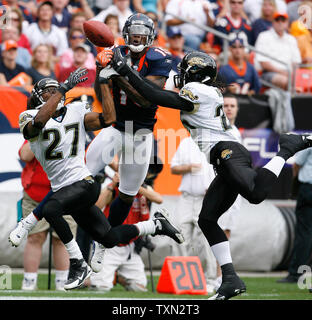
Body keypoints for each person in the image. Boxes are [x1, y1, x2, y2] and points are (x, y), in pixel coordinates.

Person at [108, 49, 312, 300]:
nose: (181, 75)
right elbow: (159, 83)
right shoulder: (204, 90)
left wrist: (125, 69)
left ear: (195, 73)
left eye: (185, 71)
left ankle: (287, 148)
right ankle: (230, 279)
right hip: (222, 157)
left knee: (256, 193)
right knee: (207, 219)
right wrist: (129, 69)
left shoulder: (199, 91)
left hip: (229, 152)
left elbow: (155, 95)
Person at [9, 69, 184, 290]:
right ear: (37, 96)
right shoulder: (29, 116)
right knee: (109, 238)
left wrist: (103, 82)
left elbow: (109, 119)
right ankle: (155, 225)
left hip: (84, 183)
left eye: (56, 91)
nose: (55, 94)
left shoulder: (75, 111)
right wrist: (62, 88)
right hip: (65, 189)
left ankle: (78, 263)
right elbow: (37, 124)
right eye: (49, 91)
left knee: (52, 209)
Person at [85, 13, 173, 257]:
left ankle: (104, 243)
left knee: (126, 194)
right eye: (133, 33)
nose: (137, 37)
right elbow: (101, 97)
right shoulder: (116, 53)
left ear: (150, 37)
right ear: (125, 34)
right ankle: (83, 242)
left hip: (140, 135)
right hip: (115, 128)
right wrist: (101, 70)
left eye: (141, 34)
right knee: (82, 178)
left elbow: (146, 99)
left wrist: (119, 74)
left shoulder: (159, 58)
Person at [90, 167, 162, 292]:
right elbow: (97, 206)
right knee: (100, 287)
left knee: (140, 287)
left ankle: (118, 278)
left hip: (130, 246)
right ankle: (95, 277)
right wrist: (113, 184)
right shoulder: (113, 186)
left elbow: (159, 199)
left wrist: (134, 186)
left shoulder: (144, 188)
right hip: (110, 246)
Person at [18, 138, 76, 291]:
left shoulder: (73, 123)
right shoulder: (38, 125)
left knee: (62, 238)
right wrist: (39, 133)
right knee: (35, 236)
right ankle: (29, 282)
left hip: (65, 191)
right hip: (36, 193)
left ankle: (63, 282)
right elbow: (25, 155)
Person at [170, 136, 218, 294]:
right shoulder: (186, 142)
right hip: (186, 197)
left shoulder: (215, 141)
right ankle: (181, 280)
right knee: (179, 236)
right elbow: (173, 168)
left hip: (205, 199)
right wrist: (189, 167)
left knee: (204, 240)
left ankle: (209, 280)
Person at [277, 147, 312, 284]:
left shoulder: (310, 140)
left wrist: (294, 187)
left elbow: (297, 164)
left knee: (304, 233)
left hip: (308, 188)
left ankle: (297, 273)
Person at [255, 12, 301, 90]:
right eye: (277, 20)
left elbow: (296, 62)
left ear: (287, 23)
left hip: (289, 74)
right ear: (273, 22)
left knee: (305, 79)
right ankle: (293, 101)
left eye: (283, 20)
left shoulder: (291, 39)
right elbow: (264, 63)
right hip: (268, 73)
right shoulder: (264, 36)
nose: (280, 22)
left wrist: (291, 73)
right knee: (286, 81)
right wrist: (283, 73)